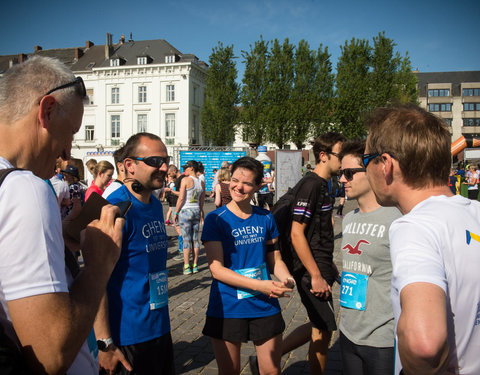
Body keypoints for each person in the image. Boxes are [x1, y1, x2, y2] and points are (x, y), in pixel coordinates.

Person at [0, 55, 124, 374]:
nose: (68, 152)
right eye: (71, 132)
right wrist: (98, 265)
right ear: (47, 110)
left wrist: (62, 237)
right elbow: (51, 354)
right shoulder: (23, 188)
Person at [364, 103, 480, 375]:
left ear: (386, 165)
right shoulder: (475, 212)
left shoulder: (415, 227)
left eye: (367, 160)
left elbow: (424, 346)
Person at [201, 157, 295, 375]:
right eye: (234, 180)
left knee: (272, 371)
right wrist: (260, 285)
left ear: (257, 186)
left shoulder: (266, 217)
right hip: (228, 306)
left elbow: (275, 259)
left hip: (264, 304)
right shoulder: (216, 219)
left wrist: (286, 278)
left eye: (246, 183)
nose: (238, 187)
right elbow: (217, 270)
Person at [96, 132, 174, 375]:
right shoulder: (116, 207)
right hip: (126, 336)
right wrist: (104, 343)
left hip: (159, 326)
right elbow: (95, 279)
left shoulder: (153, 203)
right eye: (154, 161)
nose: (163, 167)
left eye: (165, 160)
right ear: (129, 165)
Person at [283, 132, 346, 374]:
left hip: (320, 265)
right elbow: (296, 233)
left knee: (319, 324)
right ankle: (268, 358)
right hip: (310, 271)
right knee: (323, 327)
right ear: (323, 156)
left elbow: (320, 231)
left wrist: (328, 264)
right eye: (339, 155)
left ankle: (268, 356)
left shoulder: (324, 184)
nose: (342, 162)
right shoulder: (310, 185)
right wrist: (316, 274)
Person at [338, 140, 402, 375]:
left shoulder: (397, 219)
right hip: (348, 330)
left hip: (383, 338)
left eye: (349, 173)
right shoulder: (349, 219)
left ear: (371, 170)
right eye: (340, 173)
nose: (342, 179)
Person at [175, 160, 205, 275]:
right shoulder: (201, 182)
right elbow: (201, 201)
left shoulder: (185, 180)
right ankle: (195, 265)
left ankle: (187, 266)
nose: (184, 170)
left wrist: (176, 213)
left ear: (191, 168)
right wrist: (201, 213)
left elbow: (181, 198)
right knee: (195, 239)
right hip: (196, 210)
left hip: (185, 211)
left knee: (186, 239)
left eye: (186, 168)